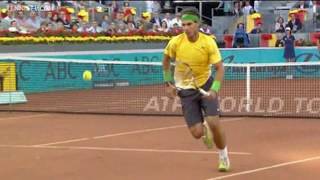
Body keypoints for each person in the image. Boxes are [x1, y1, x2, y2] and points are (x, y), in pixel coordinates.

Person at [162, 7, 230, 172]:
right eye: (183, 24)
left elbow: (220, 68)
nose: (185, 28)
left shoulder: (208, 42)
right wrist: (168, 83)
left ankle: (223, 156)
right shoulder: (176, 42)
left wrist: (214, 89)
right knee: (197, 133)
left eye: (189, 24)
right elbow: (165, 61)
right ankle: (204, 128)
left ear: (197, 24)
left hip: (206, 85)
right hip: (185, 90)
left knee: (214, 121)